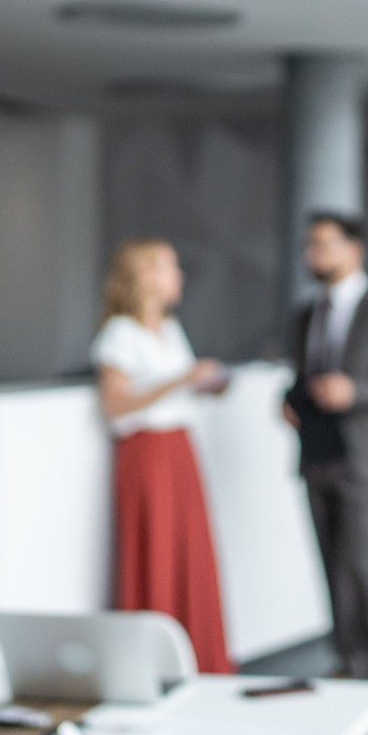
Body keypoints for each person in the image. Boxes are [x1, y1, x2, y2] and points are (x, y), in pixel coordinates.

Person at [282, 211, 368, 682]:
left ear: (353, 249)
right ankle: (346, 661)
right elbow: (301, 377)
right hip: (314, 450)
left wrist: (354, 391)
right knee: (328, 563)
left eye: (322, 244)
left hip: (362, 455)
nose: (312, 255)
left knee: (358, 563)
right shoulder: (305, 315)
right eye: (309, 245)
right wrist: (289, 401)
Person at [91, 238, 234, 674]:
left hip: (179, 447)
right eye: (170, 266)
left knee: (188, 551)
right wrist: (181, 379)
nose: (180, 276)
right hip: (147, 454)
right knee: (155, 550)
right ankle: (153, 663)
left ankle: (199, 657)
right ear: (146, 275)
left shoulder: (171, 329)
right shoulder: (119, 334)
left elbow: (175, 387)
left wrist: (204, 384)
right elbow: (115, 404)